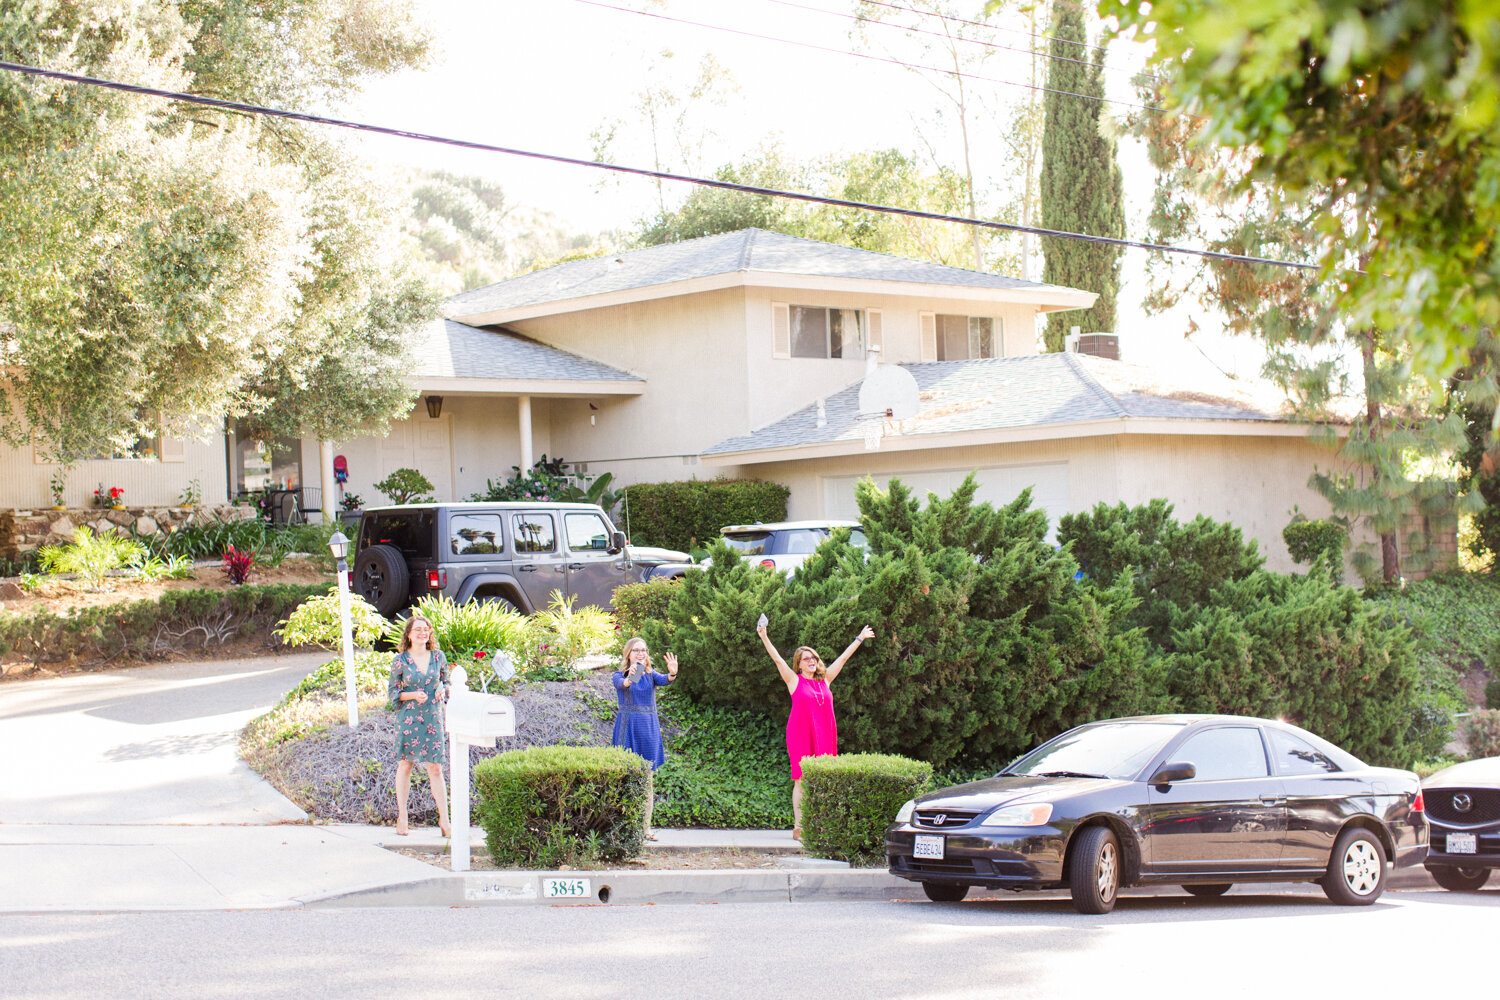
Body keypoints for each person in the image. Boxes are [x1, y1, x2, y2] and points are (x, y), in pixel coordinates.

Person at [758, 622, 875, 840]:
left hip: (825, 734)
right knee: (801, 779)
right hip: (801, 734)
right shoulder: (794, 681)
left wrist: (859, 638)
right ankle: (799, 827)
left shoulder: (826, 680)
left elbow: (843, 659)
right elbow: (777, 659)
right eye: (806, 659)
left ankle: (821, 826)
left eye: (814, 658)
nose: (812, 661)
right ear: (799, 665)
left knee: (823, 779)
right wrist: (764, 636)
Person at [387, 614, 452, 838]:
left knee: (435, 768)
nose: (423, 633)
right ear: (409, 634)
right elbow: (393, 695)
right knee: (406, 765)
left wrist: (444, 689)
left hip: (434, 717)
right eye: (418, 630)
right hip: (409, 718)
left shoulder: (438, 656)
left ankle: (445, 818)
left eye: (426, 629)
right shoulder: (401, 660)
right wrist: (413, 694)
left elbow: (446, 681)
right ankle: (402, 816)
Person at [612, 636, 679, 839]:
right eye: (636, 650)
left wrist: (672, 673)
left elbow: (665, 680)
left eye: (644, 650)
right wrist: (631, 675)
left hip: (648, 728)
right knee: (624, 779)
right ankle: (624, 828)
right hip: (628, 727)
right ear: (628, 654)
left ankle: (644, 829)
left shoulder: (651, 675)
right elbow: (623, 684)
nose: (641, 653)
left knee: (646, 781)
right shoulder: (618, 674)